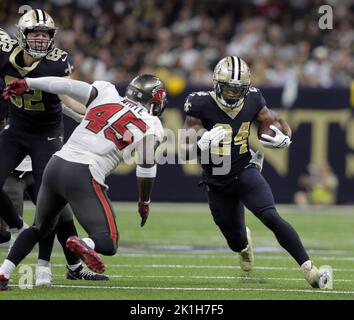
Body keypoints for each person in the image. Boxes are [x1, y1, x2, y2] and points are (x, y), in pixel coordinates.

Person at [0, 73, 166, 290]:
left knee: (39, 227)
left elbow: (66, 86)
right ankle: (83, 244)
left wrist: (28, 82)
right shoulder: (152, 123)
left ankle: (3, 274)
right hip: (84, 172)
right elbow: (146, 162)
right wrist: (144, 201)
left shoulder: (107, 92)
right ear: (155, 101)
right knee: (108, 241)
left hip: (56, 163)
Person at [180, 56, 331, 289]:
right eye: (227, 88)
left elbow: (270, 121)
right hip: (216, 180)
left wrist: (279, 137)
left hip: (244, 169)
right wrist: (200, 141)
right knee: (235, 240)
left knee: (270, 215)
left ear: (245, 88)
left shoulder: (253, 97)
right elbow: (184, 149)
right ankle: (243, 243)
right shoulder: (199, 103)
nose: (231, 94)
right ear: (216, 85)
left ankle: (310, 269)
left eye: (236, 89)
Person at [0, 10, 107, 285]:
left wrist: (91, 120)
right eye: (34, 34)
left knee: (51, 204)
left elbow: (66, 99)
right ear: (22, 36)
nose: (39, 40)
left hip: (45, 135)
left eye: (45, 35)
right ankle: (16, 225)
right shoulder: (5, 54)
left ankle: (45, 264)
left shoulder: (56, 64)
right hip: (16, 130)